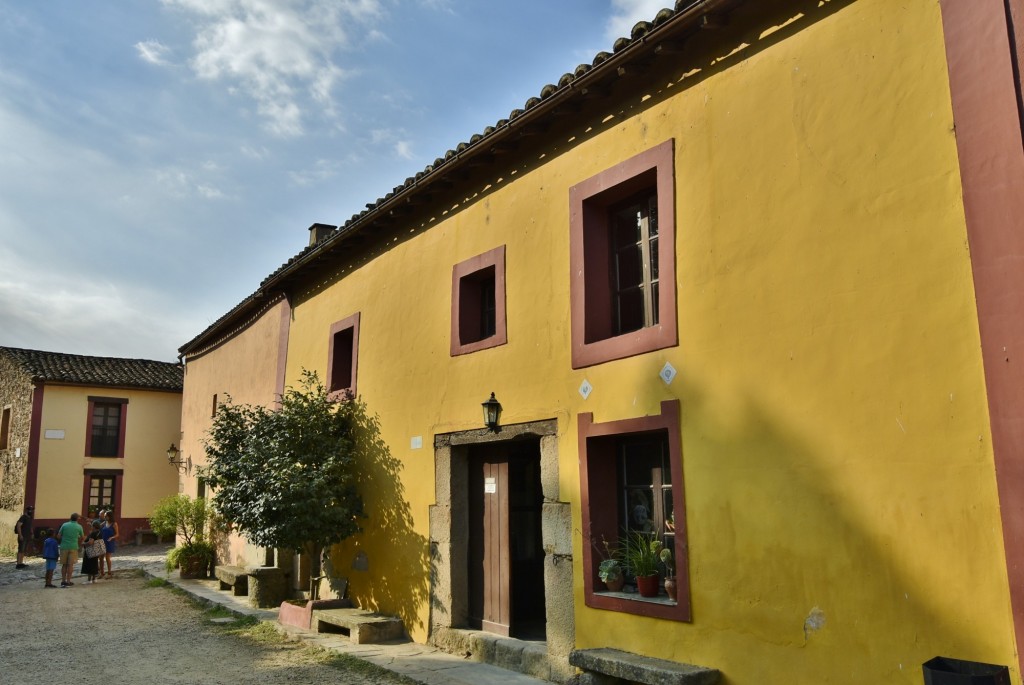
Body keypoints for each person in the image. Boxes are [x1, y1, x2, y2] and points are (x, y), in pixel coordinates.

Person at [56, 513, 85, 587]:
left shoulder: (64, 525)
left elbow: (58, 536)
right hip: (73, 546)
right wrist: (77, 538)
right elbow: (82, 537)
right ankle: (68, 581)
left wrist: (64, 538)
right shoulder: (79, 526)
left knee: (64, 564)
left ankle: (63, 581)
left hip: (64, 546)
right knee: (70, 565)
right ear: (77, 519)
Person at [100, 510, 119, 579]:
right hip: (103, 541)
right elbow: (98, 527)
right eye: (104, 516)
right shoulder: (104, 523)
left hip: (110, 542)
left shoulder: (114, 524)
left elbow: (117, 534)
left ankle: (109, 572)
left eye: (106, 516)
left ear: (110, 516)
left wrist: (112, 537)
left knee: (107, 557)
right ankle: (102, 572)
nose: (105, 517)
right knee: (101, 557)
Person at [15, 504, 33, 568]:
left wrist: (32, 533)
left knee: (23, 550)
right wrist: (20, 535)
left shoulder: (29, 518)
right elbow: (18, 525)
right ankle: (18, 563)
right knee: (20, 550)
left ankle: (21, 562)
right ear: (27, 510)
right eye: (30, 510)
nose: (31, 511)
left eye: (31, 510)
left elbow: (30, 526)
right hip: (23, 536)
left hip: (27, 536)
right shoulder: (23, 517)